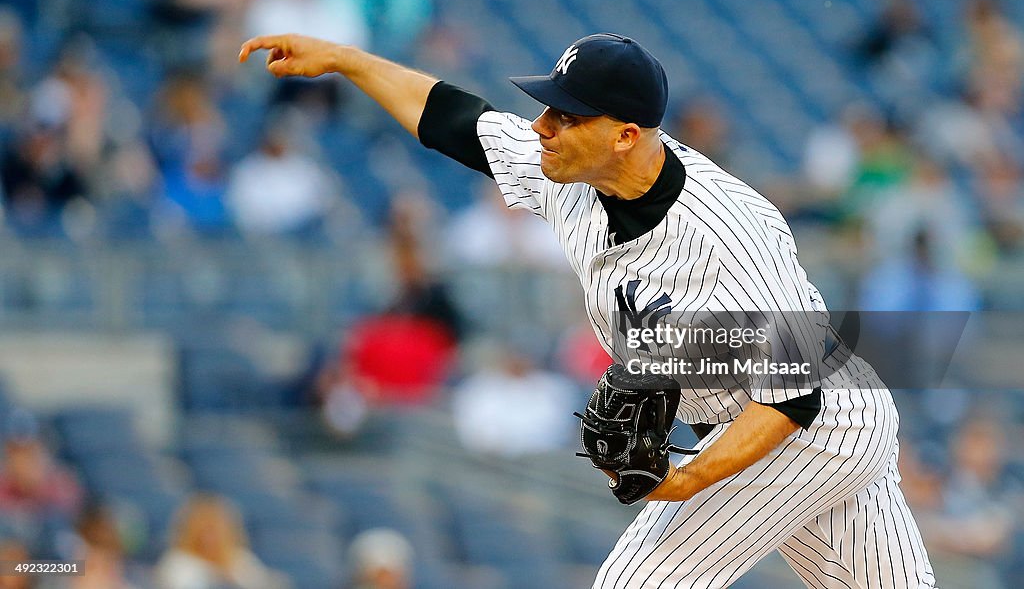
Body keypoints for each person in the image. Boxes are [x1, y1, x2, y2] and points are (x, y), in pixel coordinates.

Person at [239, 31, 936, 587]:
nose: (542, 125)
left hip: (813, 421)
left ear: (626, 134)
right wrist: (348, 60)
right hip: (772, 409)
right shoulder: (574, 170)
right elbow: (456, 120)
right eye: (547, 107)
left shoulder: (730, 235)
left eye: (565, 115)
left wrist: (685, 477)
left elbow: (794, 398)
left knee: (644, 579)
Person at [153, 494, 287, 589]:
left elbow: (262, 583)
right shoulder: (177, 562)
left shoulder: (241, 560)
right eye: (204, 531)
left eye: (215, 531)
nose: (210, 538)